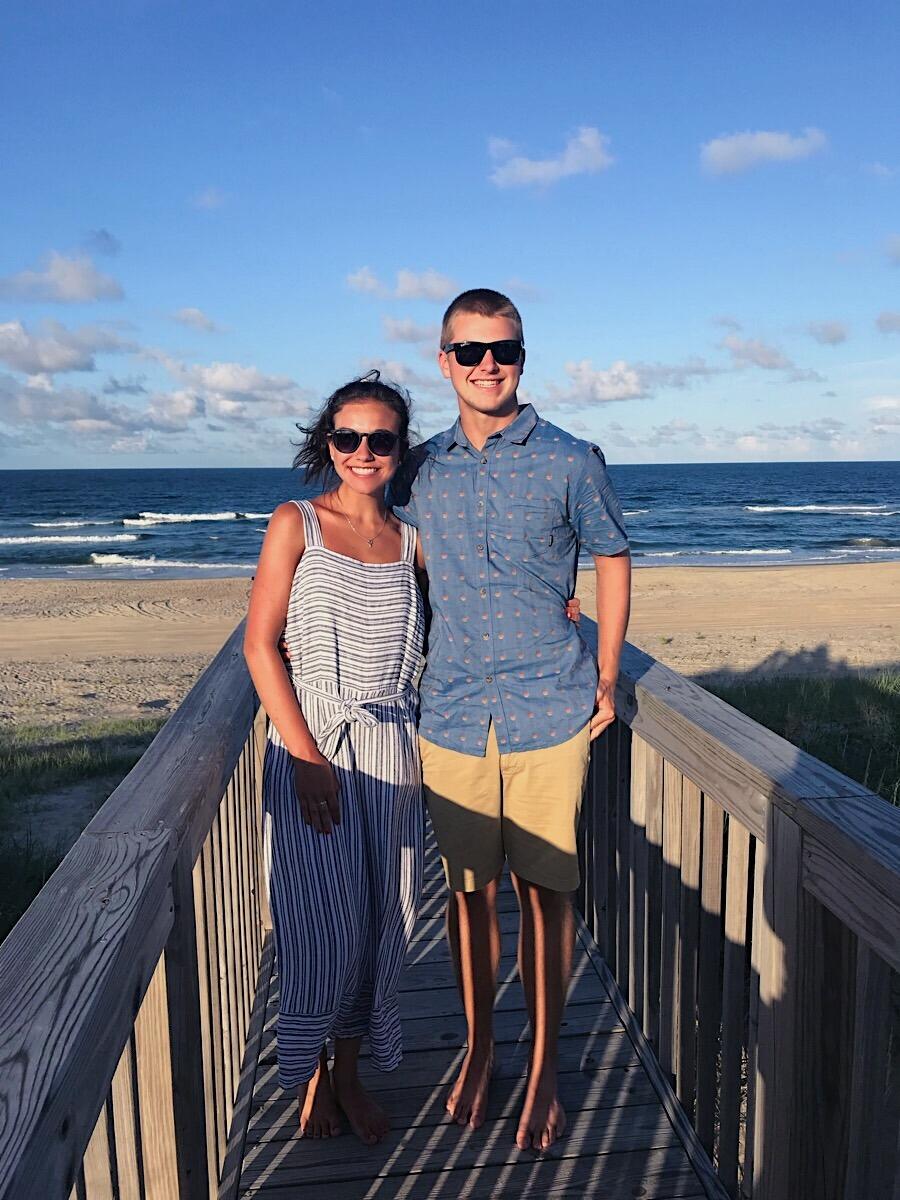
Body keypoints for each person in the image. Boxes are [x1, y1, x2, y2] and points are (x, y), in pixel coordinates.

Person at [390, 288, 632, 1152]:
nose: (489, 364)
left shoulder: (572, 460)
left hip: (549, 707)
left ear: (524, 356)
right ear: (444, 360)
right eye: (471, 351)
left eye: (506, 349)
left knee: (547, 891)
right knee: (467, 893)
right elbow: (361, 530)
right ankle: (481, 1048)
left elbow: (611, 554)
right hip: (451, 709)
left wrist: (607, 676)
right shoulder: (416, 469)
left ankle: (544, 1071)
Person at [243, 372, 426, 1146]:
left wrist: (558, 602)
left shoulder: (415, 540)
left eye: (379, 439)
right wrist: (305, 755)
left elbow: (476, 607)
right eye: (347, 438)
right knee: (320, 921)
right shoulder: (298, 524)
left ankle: (348, 1071)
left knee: (385, 915)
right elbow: (259, 644)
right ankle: (311, 1070)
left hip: (392, 745)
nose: (362, 452)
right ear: (328, 443)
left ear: (398, 449)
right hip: (312, 739)